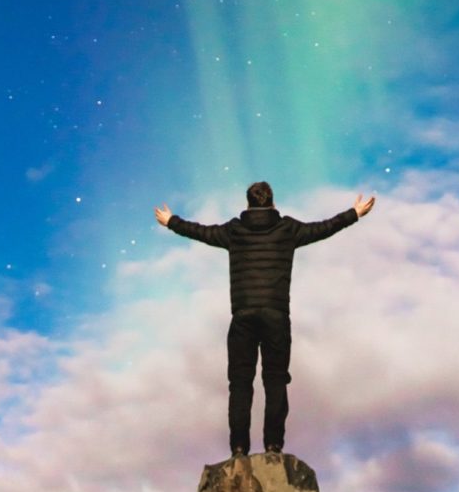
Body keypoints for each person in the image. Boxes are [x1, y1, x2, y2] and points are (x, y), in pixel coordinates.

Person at [154, 182, 375, 457]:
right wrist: (354, 213)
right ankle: (273, 445)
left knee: (240, 384)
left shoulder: (233, 231)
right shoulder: (287, 229)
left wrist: (171, 221)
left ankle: (238, 448)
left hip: (243, 316)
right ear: (272, 202)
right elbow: (323, 228)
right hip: (276, 316)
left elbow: (200, 232)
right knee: (275, 381)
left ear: (248, 204)